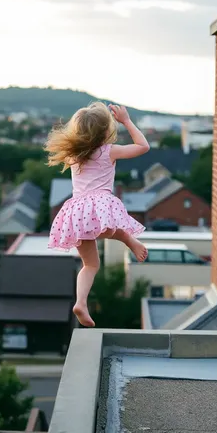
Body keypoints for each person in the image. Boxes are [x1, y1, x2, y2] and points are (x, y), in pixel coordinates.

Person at [45, 102, 150, 327]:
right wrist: (127, 121)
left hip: (76, 211)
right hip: (98, 205)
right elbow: (143, 147)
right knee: (112, 229)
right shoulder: (107, 151)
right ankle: (131, 242)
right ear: (105, 131)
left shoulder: (74, 155)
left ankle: (80, 302)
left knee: (90, 265)